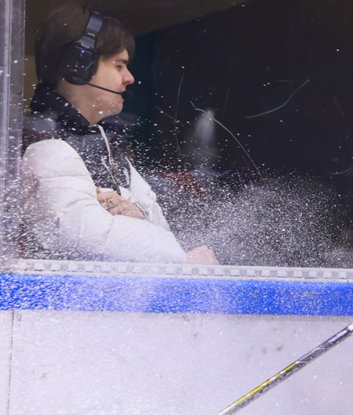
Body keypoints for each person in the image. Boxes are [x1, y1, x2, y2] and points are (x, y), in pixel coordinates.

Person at [20, 5, 217, 264]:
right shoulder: (46, 149)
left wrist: (135, 214)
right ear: (79, 65)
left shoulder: (105, 148)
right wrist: (183, 260)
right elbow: (88, 236)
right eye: (119, 66)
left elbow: (156, 226)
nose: (129, 78)